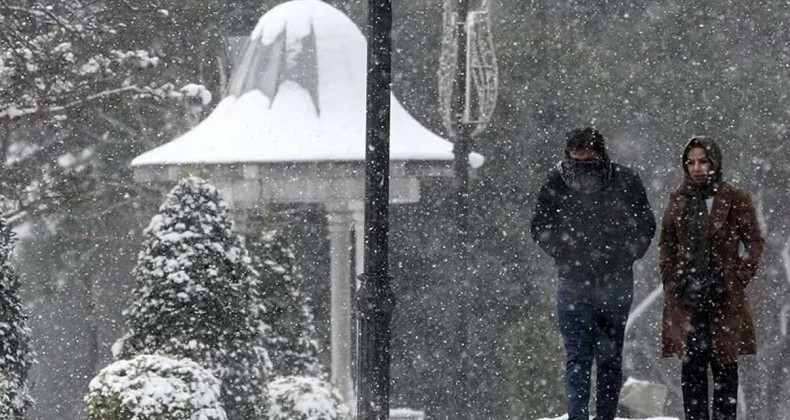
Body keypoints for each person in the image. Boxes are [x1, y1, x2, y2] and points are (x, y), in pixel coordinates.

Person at [531, 127, 656, 420]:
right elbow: (540, 225)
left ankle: (602, 416)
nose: (582, 169)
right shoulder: (558, 181)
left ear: (600, 153)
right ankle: (581, 416)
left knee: (603, 359)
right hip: (577, 281)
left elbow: (644, 226)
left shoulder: (625, 180)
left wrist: (623, 254)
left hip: (610, 281)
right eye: (577, 161)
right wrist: (566, 251)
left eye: (588, 161)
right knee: (583, 358)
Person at [659, 136, 764, 420]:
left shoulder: (734, 197)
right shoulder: (678, 199)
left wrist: (737, 277)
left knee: (725, 371)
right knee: (692, 373)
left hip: (724, 297)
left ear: (714, 163)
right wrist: (674, 282)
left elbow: (754, 241)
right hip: (688, 297)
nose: (697, 168)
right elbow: (667, 243)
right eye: (691, 162)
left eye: (703, 161)